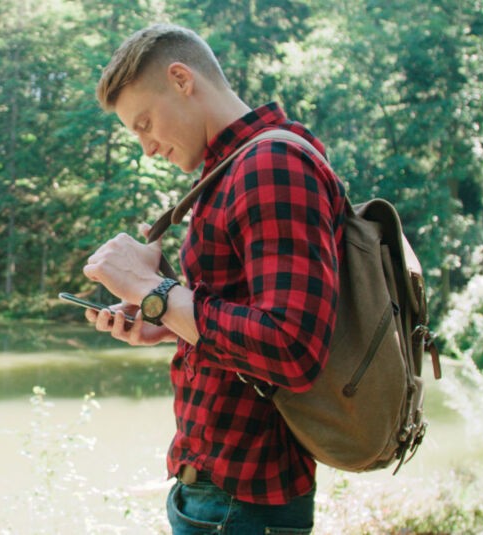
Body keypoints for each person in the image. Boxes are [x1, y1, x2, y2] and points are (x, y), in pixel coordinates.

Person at [81, 23, 347, 534]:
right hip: (219, 497)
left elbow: (293, 347)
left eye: (145, 124)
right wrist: (162, 320)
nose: (147, 148)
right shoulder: (232, 169)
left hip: (242, 504)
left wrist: (151, 289)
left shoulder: (272, 164)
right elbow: (242, 327)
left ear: (181, 79)